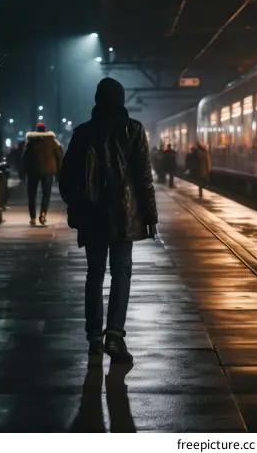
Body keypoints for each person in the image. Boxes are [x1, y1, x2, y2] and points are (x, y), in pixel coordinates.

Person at [59, 77, 158, 362]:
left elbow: (65, 178)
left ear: (97, 99)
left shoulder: (83, 133)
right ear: (121, 100)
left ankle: (94, 338)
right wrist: (150, 217)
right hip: (124, 216)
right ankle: (115, 336)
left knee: (95, 274)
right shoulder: (134, 130)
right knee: (122, 272)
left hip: (92, 216)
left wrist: (77, 203)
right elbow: (143, 179)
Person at [22, 122, 63, 226]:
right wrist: (59, 172)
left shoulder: (30, 141)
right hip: (49, 170)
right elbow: (59, 156)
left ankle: (32, 217)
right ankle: (43, 213)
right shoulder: (53, 141)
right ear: (45, 129)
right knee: (46, 193)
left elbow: (25, 157)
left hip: (33, 171)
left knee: (32, 194)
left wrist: (23, 172)